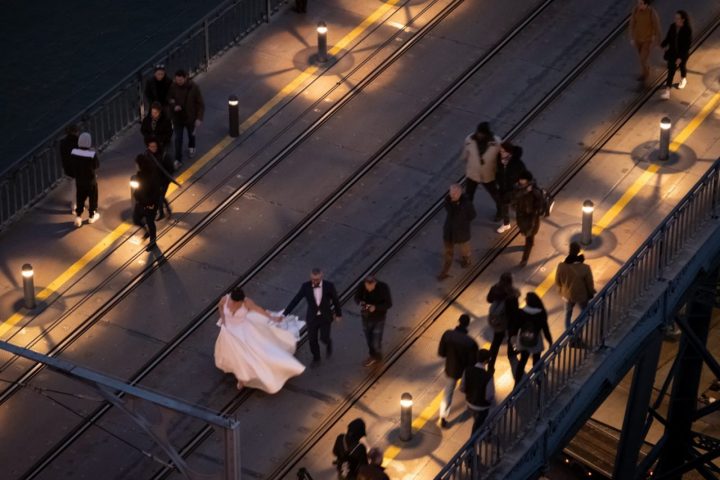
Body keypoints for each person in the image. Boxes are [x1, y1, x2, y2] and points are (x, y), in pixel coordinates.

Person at [214, 287, 305, 393]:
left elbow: (259, 310)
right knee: (233, 354)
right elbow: (220, 307)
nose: (233, 303)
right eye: (233, 301)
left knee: (246, 355)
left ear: (241, 300)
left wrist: (272, 318)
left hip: (244, 331)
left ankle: (242, 378)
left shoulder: (247, 302)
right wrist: (223, 320)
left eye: (236, 302)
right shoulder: (225, 299)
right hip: (229, 330)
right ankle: (240, 375)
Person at [284, 268, 342, 364]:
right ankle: (316, 358)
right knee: (312, 340)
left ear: (321, 277)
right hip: (312, 318)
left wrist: (338, 314)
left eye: (317, 280)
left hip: (325, 317)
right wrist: (285, 313)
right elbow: (296, 300)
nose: (314, 282)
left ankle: (328, 343)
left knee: (324, 338)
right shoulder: (305, 287)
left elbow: (336, 301)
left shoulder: (329, 286)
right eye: (313, 279)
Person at [438, 314, 478, 428]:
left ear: (459, 321)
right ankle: (474, 408)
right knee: (470, 390)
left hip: (452, 369)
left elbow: (441, 353)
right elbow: (473, 361)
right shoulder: (470, 342)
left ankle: (443, 416)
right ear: (467, 324)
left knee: (448, 392)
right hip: (465, 371)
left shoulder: (447, 335)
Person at [438, 184, 476, 280]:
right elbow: (450, 210)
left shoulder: (466, 204)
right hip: (449, 232)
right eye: (452, 192)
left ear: (460, 193)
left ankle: (466, 259)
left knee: (464, 248)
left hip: (461, 232)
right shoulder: (448, 201)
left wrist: (463, 221)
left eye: (455, 193)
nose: (453, 194)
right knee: (448, 253)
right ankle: (444, 272)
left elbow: (472, 215)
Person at [167, 69, 205, 168]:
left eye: (180, 80)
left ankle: (191, 146)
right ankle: (178, 159)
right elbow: (169, 99)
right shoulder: (172, 87)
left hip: (190, 117)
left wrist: (199, 118)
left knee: (191, 135)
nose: (178, 82)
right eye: (177, 80)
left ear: (185, 78)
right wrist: (174, 106)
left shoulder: (194, 88)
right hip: (178, 118)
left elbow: (200, 104)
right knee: (178, 139)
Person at [513, 292, 552, 384]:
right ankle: (538, 379)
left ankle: (517, 383)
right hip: (536, 340)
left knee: (522, 361)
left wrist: (513, 338)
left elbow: (515, 326)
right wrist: (550, 340)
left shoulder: (521, 312)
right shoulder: (541, 313)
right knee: (536, 359)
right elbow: (545, 329)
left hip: (523, 338)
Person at [462, 122, 501, 215]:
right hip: (473, 173)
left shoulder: (496, 143)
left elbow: (500, 158)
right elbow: (465, 154)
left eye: (482, 133)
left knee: (495, 194)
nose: (479, 135)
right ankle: (468, 212)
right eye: (479, 132)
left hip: (488, 174)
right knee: (469, 195)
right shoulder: (469, 139)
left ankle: (501, 211)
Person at [555, 241, 596, 330]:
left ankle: (569, 334)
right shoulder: (585, 267)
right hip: (581, 295)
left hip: (567, 295)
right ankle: (578, 328)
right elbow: (590, 284)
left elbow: (557, 282)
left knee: (567, 314)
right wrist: (591, 292)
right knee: (584, 312)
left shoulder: (561, 266)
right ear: (578, 251)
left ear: (569, 251)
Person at [354, 275, 392, 367]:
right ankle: (373, 355)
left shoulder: (383, 287)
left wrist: (375, 307)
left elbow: (388, 304)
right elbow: (356, 298)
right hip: (366, 317)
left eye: (371, 286)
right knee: (369, 339)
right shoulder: (362, 285)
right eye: (367, 286)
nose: (369, 288)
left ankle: (377, 357)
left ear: (375, 283)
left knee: (376, 341)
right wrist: (360, 301)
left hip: (378, 318)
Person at [486, 272, 520, 372]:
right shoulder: (512, 294)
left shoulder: (495, 288)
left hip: (498, 320)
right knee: (511, 337)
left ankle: (490, 365)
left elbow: (489, 299)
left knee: (496, 343)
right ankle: (511, 353)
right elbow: (514, 311)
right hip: (508, 320)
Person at [512, 170, 544, 267]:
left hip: (531, 217)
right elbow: (514, 198)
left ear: (528, 181)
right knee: (526, 232)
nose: (520, 181)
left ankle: (524, 259)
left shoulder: (535, 191)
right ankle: (530, 241)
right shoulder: (517, 188)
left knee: (529, 237)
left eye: (523, 180)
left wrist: (536, 212)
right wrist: (525, 191)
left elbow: (540, 203)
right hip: (521, 216)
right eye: (520, 179)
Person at [133, 154, 162, 251]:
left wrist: (150, 204)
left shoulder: (152, 176)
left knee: (150, 222)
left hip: (150, 205)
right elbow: (138, 189)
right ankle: (147, 232)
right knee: (136, 218)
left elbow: (156, 192)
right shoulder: (139, 175)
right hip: (142, 202)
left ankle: (153, 241)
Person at [495, 141, 526, 233]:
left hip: (514, 190)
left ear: (509, 152)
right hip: (503, 188)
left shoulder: (517, 163)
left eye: (503, 151)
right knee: (504, 206)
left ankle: (522, 222)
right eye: (500, 151)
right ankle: (506, 224)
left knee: (517, 207)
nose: (501, 153)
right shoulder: (499, 161)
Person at [660, 10, 692, 100]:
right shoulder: (672, 27)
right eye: (675, 18)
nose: (676, 20)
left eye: (678, 18)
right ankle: (667, 91)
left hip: (682, 54)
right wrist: (663, 44)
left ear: (683, 19)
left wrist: (681, 58)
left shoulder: (687, 30)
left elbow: (687, 46)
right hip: (672, 53)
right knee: (671, 71)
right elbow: (668, 38)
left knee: (682, 66)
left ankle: (683, 78)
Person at [144, 138, 179, 220]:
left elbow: (171, 169)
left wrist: (164, 180)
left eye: (154, 146)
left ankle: (162, 213)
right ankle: (167, 209)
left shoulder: (164, 156)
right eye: (151, 147)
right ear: (148, 147)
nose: (153, 148)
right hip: (154, 181)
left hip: (164, 181)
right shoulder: (147, 154)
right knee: (159, 197)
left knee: (159, 198)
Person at [70, 132, 100, 227]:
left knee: (80, 198)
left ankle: (78, 217)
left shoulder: (74, 152)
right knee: (93, 198)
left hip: (79, 180)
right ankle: (91, 215)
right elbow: (96, 165)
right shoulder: (92, 154)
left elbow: (73, 165)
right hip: (90, 181)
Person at [629, 0, 662, 85]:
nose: (638, 5)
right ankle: (646, 68)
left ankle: (645, 74)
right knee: (642, 57)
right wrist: (632, 37)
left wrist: (658, 40)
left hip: (647, 40)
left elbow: (657, 27)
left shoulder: (651, 13)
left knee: (642, 59)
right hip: (638, 39)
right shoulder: (636, 10)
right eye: (638, 3)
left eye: (640, 3)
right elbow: (632, 23)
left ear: (646, 4)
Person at [464, 349, 495, 434]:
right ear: (486, 361)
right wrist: (491, 402)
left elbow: (462, 387)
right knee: (479, 422)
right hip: (482, 406)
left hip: (469, 402)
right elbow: (489, 396)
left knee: (477, 418)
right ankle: (476, 440)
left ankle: (485, 433)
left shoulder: (467, 370)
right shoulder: (488, 376)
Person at [59, 124, 80, 213]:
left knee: (72, 187)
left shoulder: (62, 142)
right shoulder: (78, 142)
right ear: (76, 132)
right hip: (78, 169)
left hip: (68, 169)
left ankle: (74, 205)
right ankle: (76, 206)